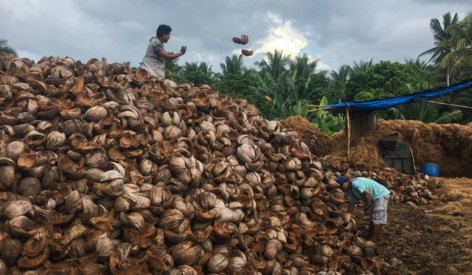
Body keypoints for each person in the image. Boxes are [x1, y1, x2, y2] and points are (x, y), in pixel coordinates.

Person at [336, 176, 390, 243]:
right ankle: (369, 234)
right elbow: (352, 203)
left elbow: (367, 193)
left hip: (380, 195)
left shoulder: (355, 183)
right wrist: (347, 215)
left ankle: (374, 239)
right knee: (373, 217)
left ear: (344, 184)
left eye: (341, 188)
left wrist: (366, 208)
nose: (342, 190)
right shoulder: (351, 189)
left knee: (377, 217)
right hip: (376, 197)